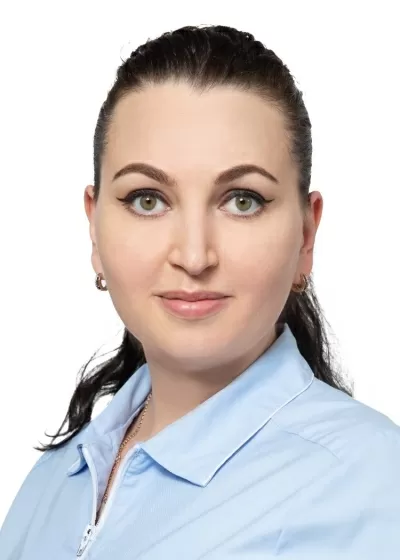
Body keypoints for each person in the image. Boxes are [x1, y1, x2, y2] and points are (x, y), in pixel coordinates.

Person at [1, 24, 399, 560]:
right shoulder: (55, 476)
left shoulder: (371, 485)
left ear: (306, 236)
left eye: (242, 201)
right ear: (94, 228)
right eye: (147, 200)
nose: (194, 256)